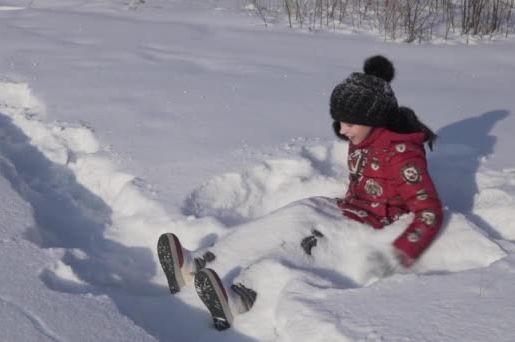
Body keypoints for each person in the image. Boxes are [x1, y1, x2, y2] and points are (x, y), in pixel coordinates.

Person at [157, 55, 443, 331]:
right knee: (277, 223)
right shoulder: (366, 135)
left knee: (295, 247)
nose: (342, 130)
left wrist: (401, 252)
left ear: (374, 119)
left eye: (349, 123)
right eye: (339, 122)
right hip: (344, 208)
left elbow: (429, 211)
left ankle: (241, 299)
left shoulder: (402, 156)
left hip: (367, 226)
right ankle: (201, 261)